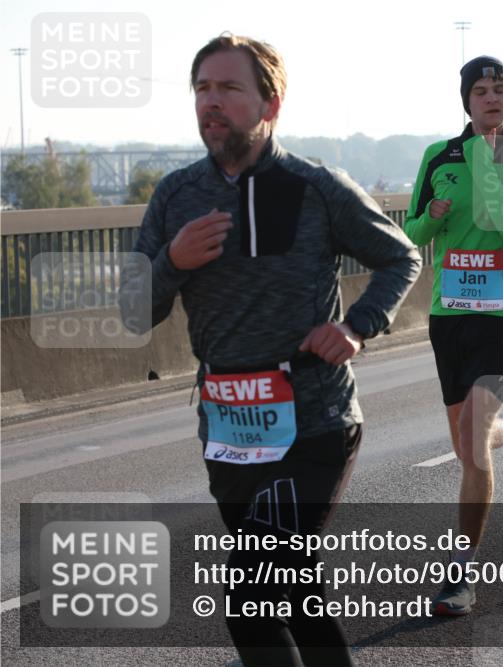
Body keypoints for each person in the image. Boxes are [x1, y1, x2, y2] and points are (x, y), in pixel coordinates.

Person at [121, 35, 422, 666]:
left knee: (251, 600)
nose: (212, 102)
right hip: (229, 427)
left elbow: (401, 256)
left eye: (229, 89)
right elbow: (132, 313)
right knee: (292, 592)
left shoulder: (316, 187)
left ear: (270, 104)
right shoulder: (175, 196)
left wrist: (358, 326)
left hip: (312, 418)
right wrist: (171, 262)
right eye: (202, 89)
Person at [403, 55, 503, 616]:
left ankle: (460, 575)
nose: (491, 98)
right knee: (468, 443)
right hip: (450, 315)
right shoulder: (437, 156)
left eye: (500, 90)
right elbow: (413, 230)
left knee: (470, 437)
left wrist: (486, 162)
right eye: (481, 90)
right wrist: (433, 216)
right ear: (465, 100)